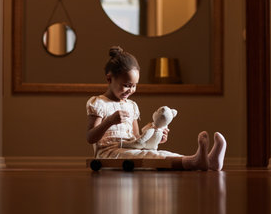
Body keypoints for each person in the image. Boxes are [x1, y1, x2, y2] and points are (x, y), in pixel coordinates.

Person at [86, 46, 226, 170]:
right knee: (149, 155)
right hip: (109, 153)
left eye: (134, 85)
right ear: (109, 79)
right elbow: (91, 137)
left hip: (130, 149)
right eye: (127, 85)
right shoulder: (99, 103)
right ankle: (195, 162)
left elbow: (136, 139)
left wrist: (155, 137)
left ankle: (208, 161)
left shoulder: (131, 105)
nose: (131, 90)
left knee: (160, 153)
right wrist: (109, 121)